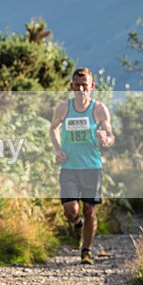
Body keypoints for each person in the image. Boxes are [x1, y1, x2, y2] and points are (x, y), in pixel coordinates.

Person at [49, 68, 115, 264]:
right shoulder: (63, 108)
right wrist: (58, 149)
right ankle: (77, 225)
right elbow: (53, 128)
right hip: (69, 167)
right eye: (77, 85)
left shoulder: (99, 109)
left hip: (92, 167)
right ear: (71, 86)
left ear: (92, 87)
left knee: (89, 210)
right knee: (70, 209)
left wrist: (106, 138)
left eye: (84, 85)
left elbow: (110, 134)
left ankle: (86, 250)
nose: (80, 89)